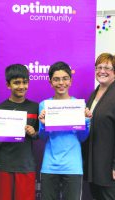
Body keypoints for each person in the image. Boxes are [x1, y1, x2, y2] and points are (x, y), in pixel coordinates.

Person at [82, 53, 115, 200]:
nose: (102, 71)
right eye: (99, 67)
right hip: (96, 165)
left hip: (111, 167)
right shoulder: (94, 93)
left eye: (107, 67)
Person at [0, 64, 39, 200]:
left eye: (25, 82)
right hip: (4, 165)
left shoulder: (35, 107)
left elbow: (40, 135)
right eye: (16, 83)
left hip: (26, 166)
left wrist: (33, 133)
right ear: (8, 85)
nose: (21, 86)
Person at [38, 61, 90, 200]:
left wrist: (86, 121)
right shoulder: (44, 105)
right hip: (50, 166)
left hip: (73, 166)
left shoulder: (79, 105)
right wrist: (43, 124)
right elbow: (42, 137)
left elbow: (83, 137)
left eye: (65, 78)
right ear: (50, 82)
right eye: (56, 79)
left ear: (70, 81)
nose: (61, 83)